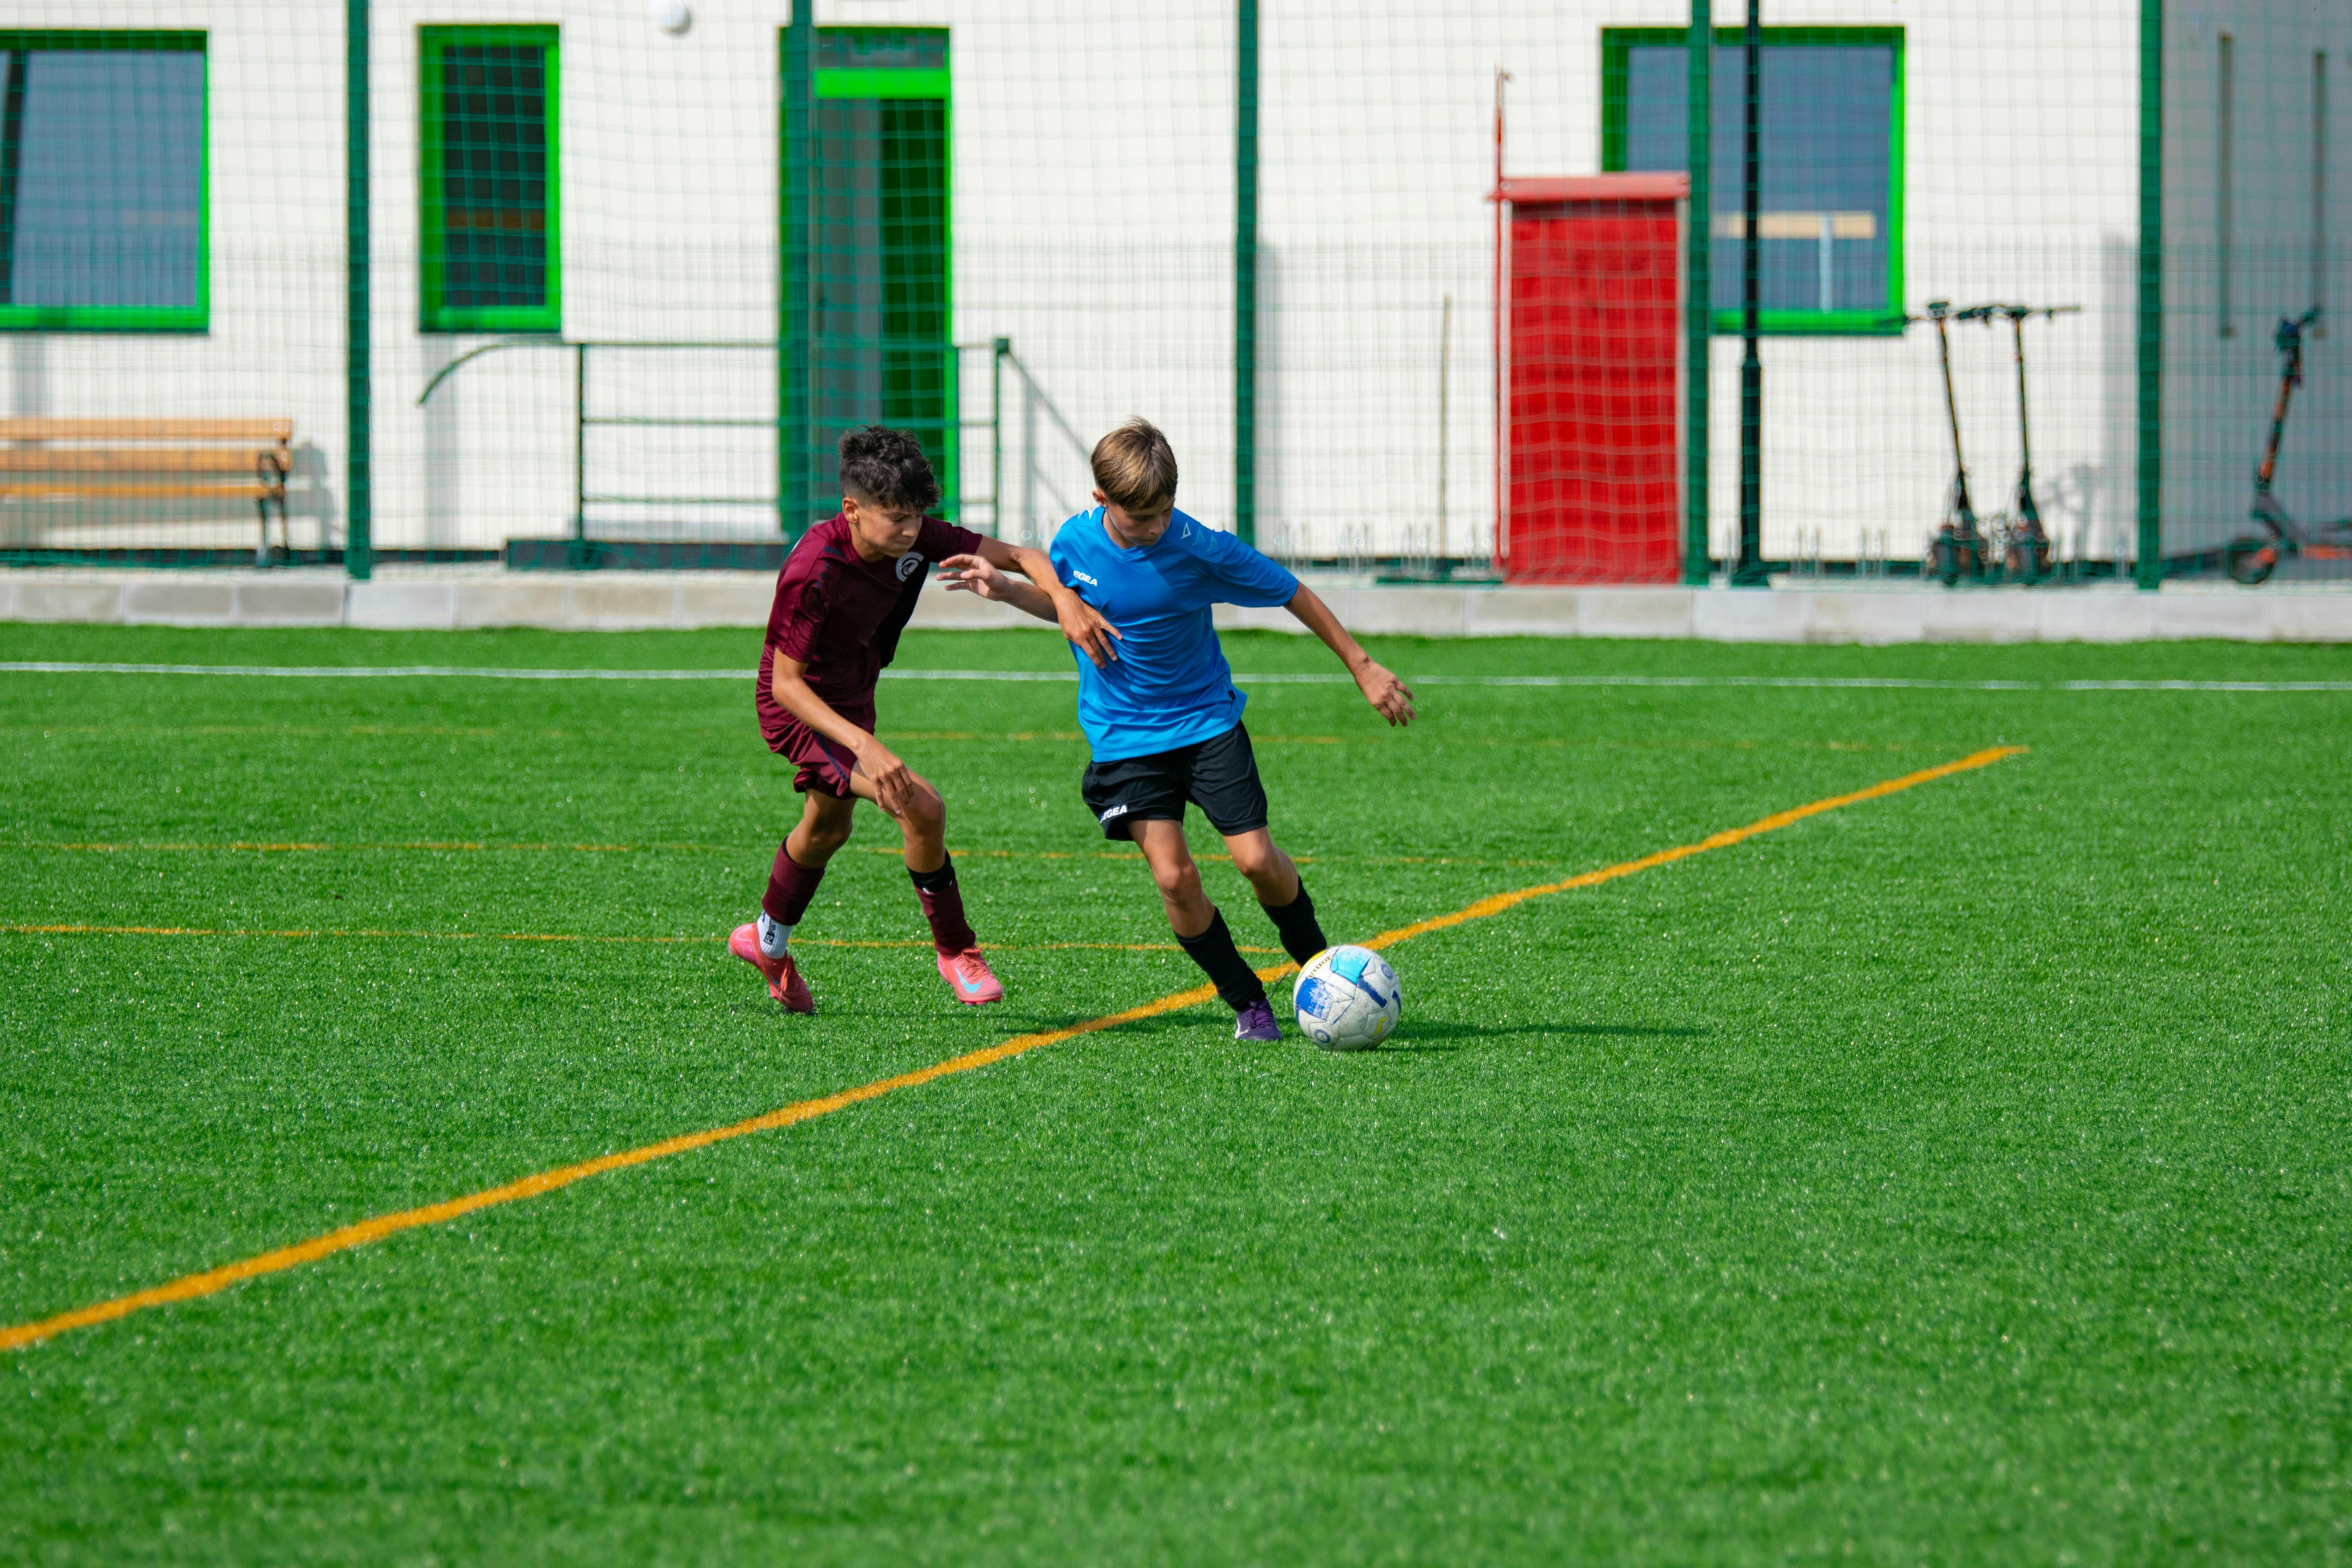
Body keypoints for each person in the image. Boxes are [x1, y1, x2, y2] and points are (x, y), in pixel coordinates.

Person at [938, 417, 1414, 1040]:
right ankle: (1248, 1002)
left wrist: (1362, 665)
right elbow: (1067, 604)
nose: (1157, 527)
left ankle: (1321, 973)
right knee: (1174, 876)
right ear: (1101, 502)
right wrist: (1008, 590)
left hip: (1206, 722)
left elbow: (1292, 592)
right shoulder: (1073, 544)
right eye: (1141, 519)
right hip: (1124, 736)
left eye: (1165, 511)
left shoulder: (1199, 546)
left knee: (1257, 861)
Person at [731, 425, 1118, 1013]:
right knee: (922, 806)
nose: (911, 532)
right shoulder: (816, 567)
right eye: (896, 518)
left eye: (917, 516)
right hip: (803, 708)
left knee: (829, 829)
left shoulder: (913, 537)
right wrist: (866, 745)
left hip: (854, 693)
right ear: (852, 510)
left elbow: (1020, 555)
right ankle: (957, 953)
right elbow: (786, 685)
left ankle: (766, 941)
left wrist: (1064, 601)